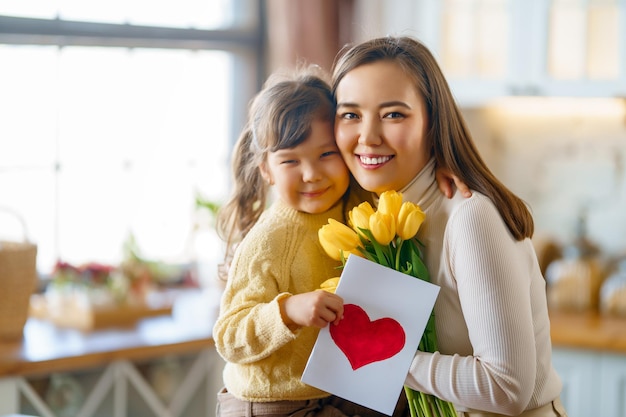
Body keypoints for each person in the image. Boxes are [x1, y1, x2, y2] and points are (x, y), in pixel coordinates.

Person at [330, 36, 567, 417]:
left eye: (393, 114)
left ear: (433, 121)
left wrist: (386, 357)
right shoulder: (375, 217)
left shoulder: (470, 218)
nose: (368, 137)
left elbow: (509, 388)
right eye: (350, 115)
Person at [212, 66, 415, 417]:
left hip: (337, 386)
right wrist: (287, 311)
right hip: (275, 401)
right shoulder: (269, 241)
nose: (312, 174)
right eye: (290, 161)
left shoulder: (358, 202)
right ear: (266, 170)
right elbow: (228, 337)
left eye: (326, 154)